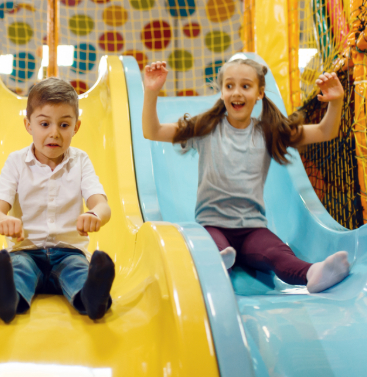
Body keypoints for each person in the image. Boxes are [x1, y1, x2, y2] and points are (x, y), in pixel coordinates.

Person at [141, 57, 351, 293]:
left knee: (277, 253)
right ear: (221, 92)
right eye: (229, 86)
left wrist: (336, 101)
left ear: (260, 93)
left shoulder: (269, 131)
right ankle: (215, 266)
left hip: (252, 229)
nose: (236, 93)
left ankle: (313, 272)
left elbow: (325, 131)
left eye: (245, 86)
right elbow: (153, 131)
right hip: (213, 225)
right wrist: (151, 92)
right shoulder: (205, 129)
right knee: (214, 248)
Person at [0, 77, 116, 323]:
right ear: (29, 125)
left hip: (68, 252)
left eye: (64, 125)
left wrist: (95, 215)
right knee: (19, 269)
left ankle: (93, 299)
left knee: (79, 271)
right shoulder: (16, 162)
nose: (54, 133)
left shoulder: (81, 161)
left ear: (76, 127)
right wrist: (3, 221)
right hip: (26, 250)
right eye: (44, 123)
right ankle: (7, 300)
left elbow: (102, 205)